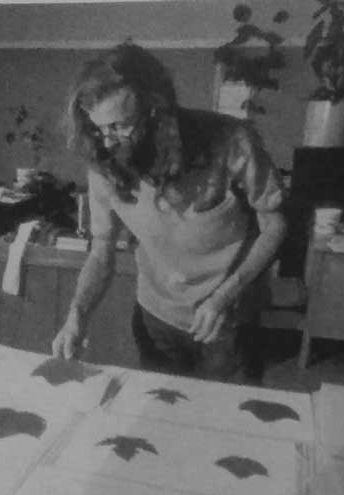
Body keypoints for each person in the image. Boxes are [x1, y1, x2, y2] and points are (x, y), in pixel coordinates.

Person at [51, 42, 286, 382]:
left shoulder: (231, 141)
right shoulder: (104, 161)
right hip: (156, 316)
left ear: (154, 110)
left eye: (120, 126)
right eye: (98, 129)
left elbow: (275, 225)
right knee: (163, 416)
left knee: (224, 425)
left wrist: (225, 295)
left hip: (227, 318)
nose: (108, 142)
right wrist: (77, 314)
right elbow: (101, 251)